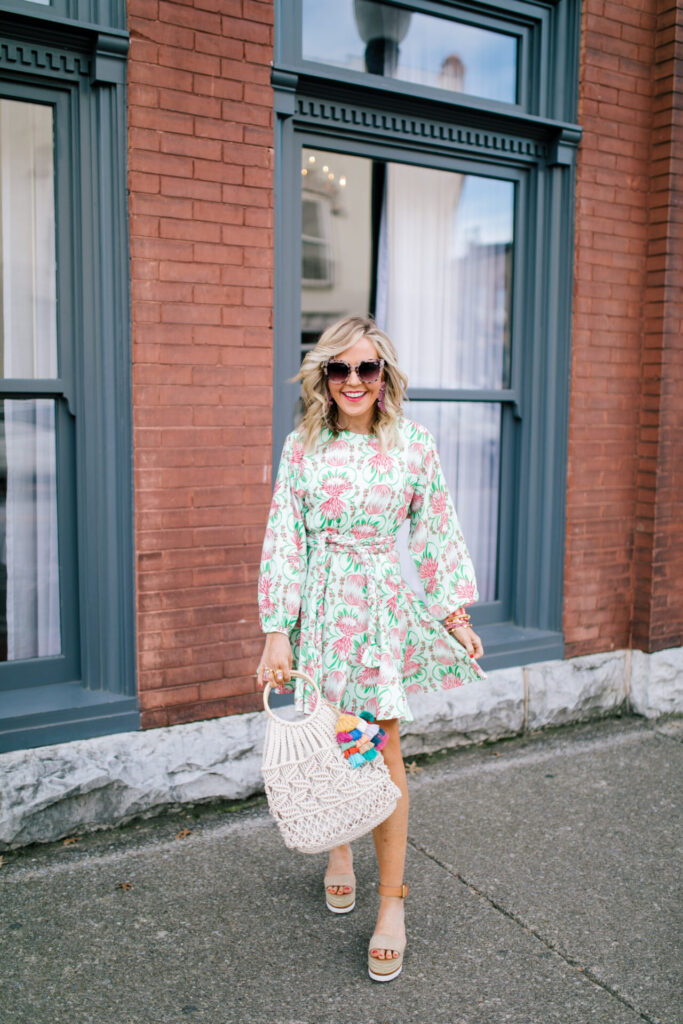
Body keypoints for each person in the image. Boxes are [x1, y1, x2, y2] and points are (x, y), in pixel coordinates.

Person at [256, 315, 485, 982]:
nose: (352, 381)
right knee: (334, 738)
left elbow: (435, 528)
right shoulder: (301, 448)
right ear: (322, 379)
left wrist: (451, 612)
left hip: (379, 612)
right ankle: (337, 849)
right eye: (339, 368)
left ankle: (391, 905)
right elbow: (284, 537)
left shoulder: (413, 445)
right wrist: (276, 627)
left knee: (379, 748)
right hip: (321, 612)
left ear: (384, 376)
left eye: (366, 368)